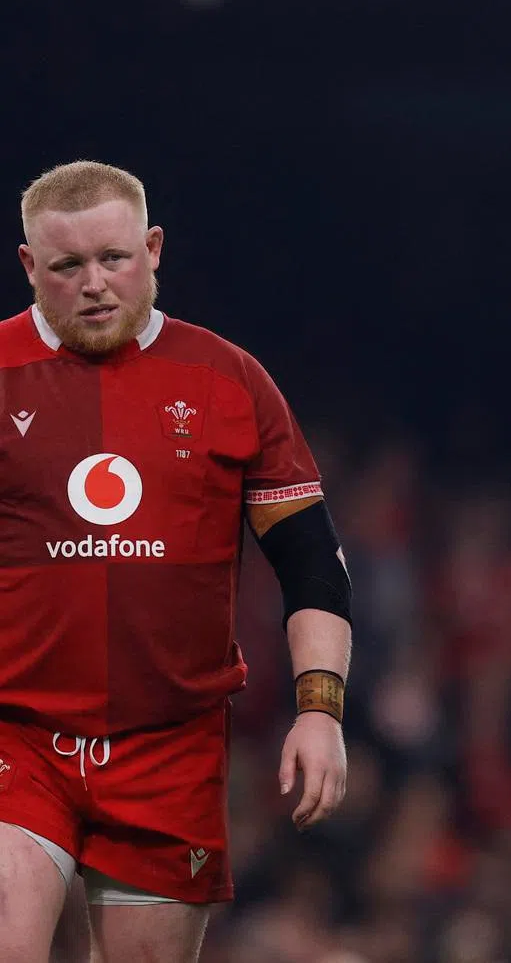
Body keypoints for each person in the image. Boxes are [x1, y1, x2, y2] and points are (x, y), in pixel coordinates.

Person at [0, 160, 353, 962]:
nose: (94, 284)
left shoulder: (230, 382)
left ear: (153, 248)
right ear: (29, 267)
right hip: (18, 734)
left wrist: (320, 713)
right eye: (67, 265)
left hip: (171, 747)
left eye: (115, 259)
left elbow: (310, 565)